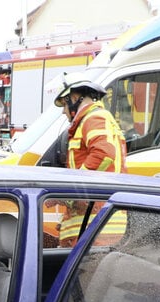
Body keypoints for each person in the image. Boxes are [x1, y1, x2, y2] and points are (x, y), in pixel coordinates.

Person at [53, 72, 128, 247]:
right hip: (94, 224)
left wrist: (75, 192)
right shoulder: (90, 120)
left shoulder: (94, 118)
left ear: (75, 97)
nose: (64, 111)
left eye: (64, 104)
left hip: (98, 226)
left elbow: (104, 154)